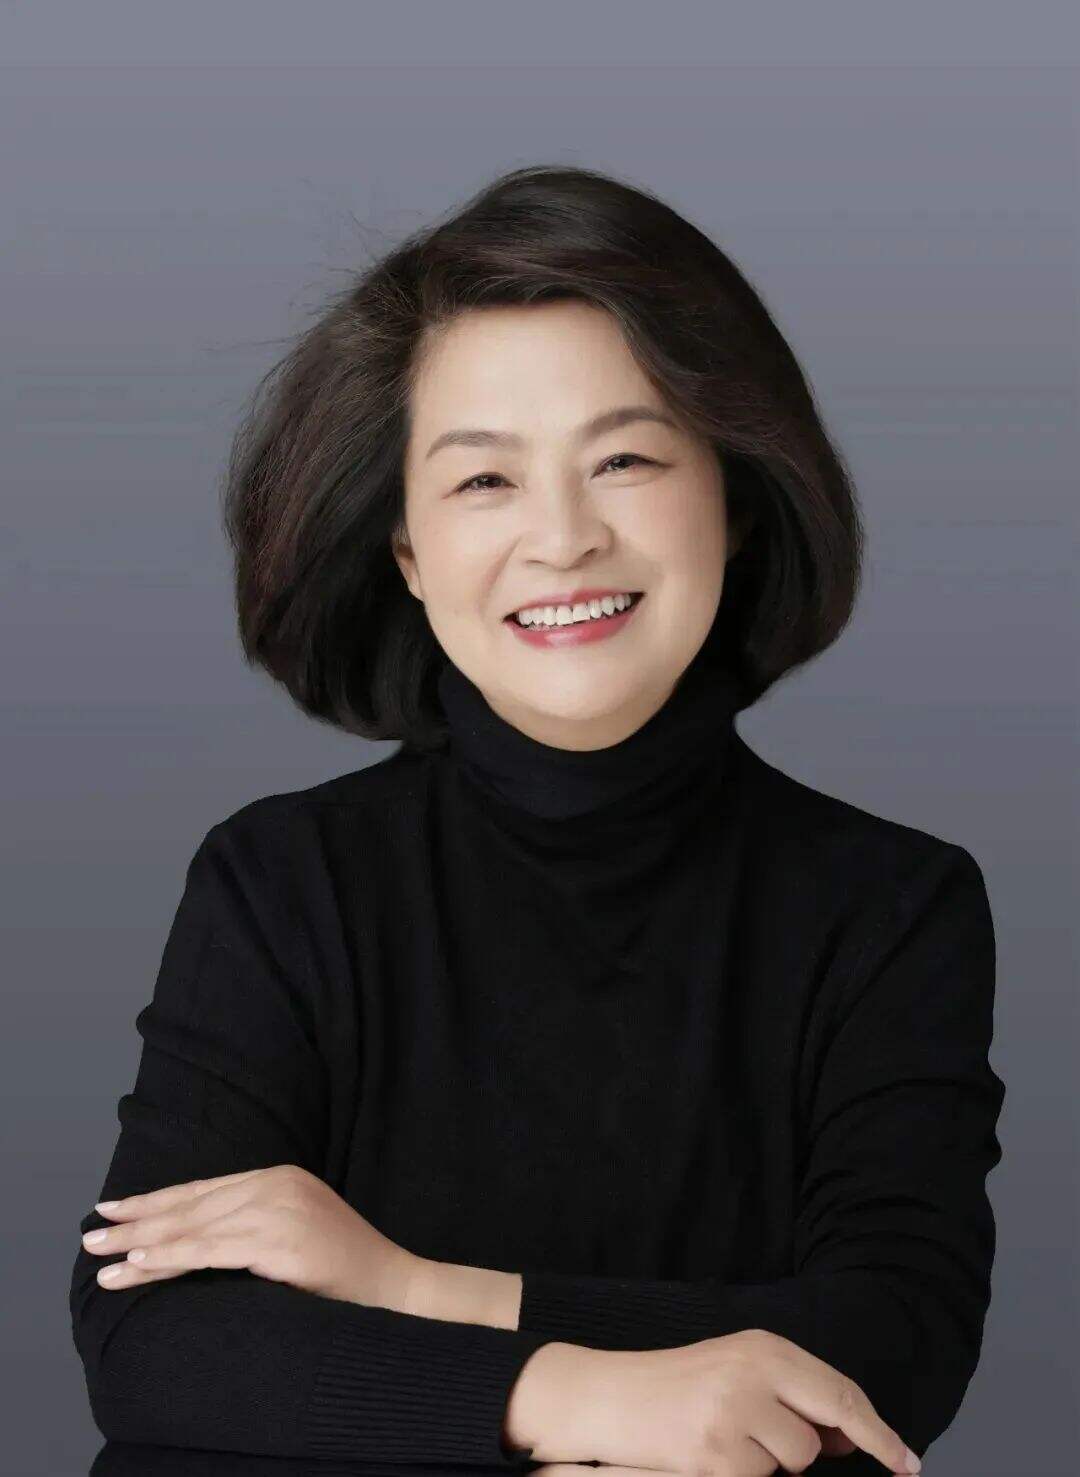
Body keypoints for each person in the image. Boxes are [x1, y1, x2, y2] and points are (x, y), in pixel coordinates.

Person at [69, 163, 1004, 1476]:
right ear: (407, 553)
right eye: (483, 482)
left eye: (624, 459)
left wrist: (408, 1284)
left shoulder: (894, 906)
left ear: (732, 501)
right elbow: (153, 1339)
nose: (562, 539)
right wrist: (589, 1397)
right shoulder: (280, 880)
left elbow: (891, 1343)